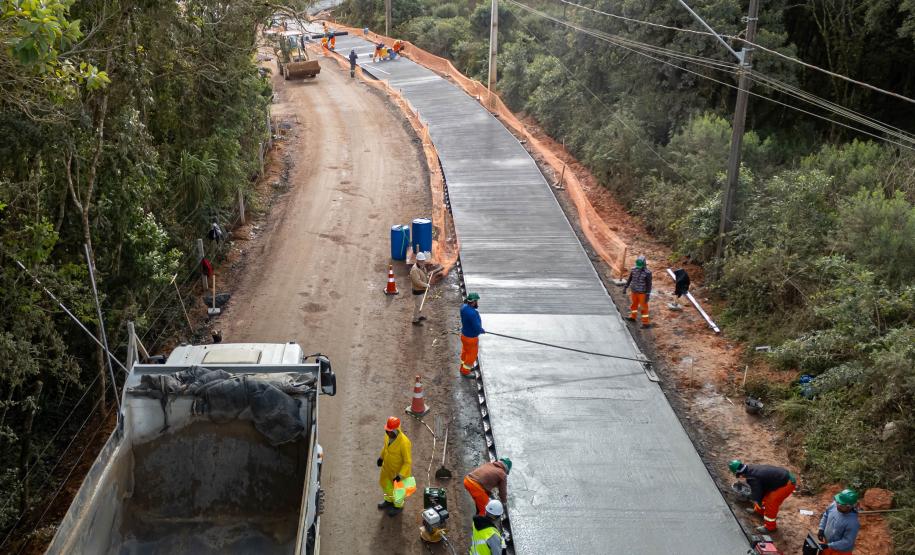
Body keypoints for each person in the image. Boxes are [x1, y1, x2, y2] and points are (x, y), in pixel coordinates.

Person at [729, 459, 797, 532]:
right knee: (765, 496)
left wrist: (751, 497)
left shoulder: (751, 478)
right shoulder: (751, 468)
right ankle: (759, 511)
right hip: (781, 478)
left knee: (771, 502)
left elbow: (757, 493)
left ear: (739, 473)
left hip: (787, 483)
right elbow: (762, 489)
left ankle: (770, 527)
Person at [377, 416, 412, 516]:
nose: (388, 433)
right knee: (386, 484)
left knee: (398, 490)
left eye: (390, 431)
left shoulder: (404, 443)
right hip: (387, 468)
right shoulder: (388, 436)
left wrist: (400, 476)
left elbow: (407, 462)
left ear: (397, 430)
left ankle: (398, 506)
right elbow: (385, 448)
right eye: (387, 431)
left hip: (397, 473)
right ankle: (388, 500)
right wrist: (381, 458)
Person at [818, 489, 860, 554]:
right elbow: (826, 515)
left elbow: (847, 542)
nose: (837, 505)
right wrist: (821, 529)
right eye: (837, 502)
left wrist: (828, 546)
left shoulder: (853, 523)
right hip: (826, 545)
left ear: (849, 507)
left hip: (839, 552)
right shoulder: (834, 505)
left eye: (841, 504)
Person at [459, 292, 485, 377]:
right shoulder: (473, 313)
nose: (477, 303)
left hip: (464, 335)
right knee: (471, 355)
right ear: (473, 302)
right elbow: (477, 327)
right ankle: (465, 372)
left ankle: (463, 367)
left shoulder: (463, 307)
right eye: (476, 301)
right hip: (471, 338)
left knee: (465, 352)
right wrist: (481, 330)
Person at [623, 255, 652, 328]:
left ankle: (646, 323)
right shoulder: (634, 269)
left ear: (644, 263)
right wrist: (625, 287)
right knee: (634, 305)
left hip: (642, 293)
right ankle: (633, 317)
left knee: (644, 308)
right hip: (634, 291)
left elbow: (649, 285)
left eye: (640, 265)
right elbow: (630, 279)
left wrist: (648, 295)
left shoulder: (647, 273)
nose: (639, 266)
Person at [410, 252, 432, 325]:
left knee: (420, 304)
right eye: (421, 261)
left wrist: (427, 276)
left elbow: (424, 274)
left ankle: (419, 316)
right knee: (418, 305)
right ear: (417, 261)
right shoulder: (414, 270)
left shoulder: (421, 266)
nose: (423, 262)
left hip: (421, 290)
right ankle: (415, 320)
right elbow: (417, 282)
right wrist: (426, 285)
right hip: (417, 291)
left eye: (423, 261)